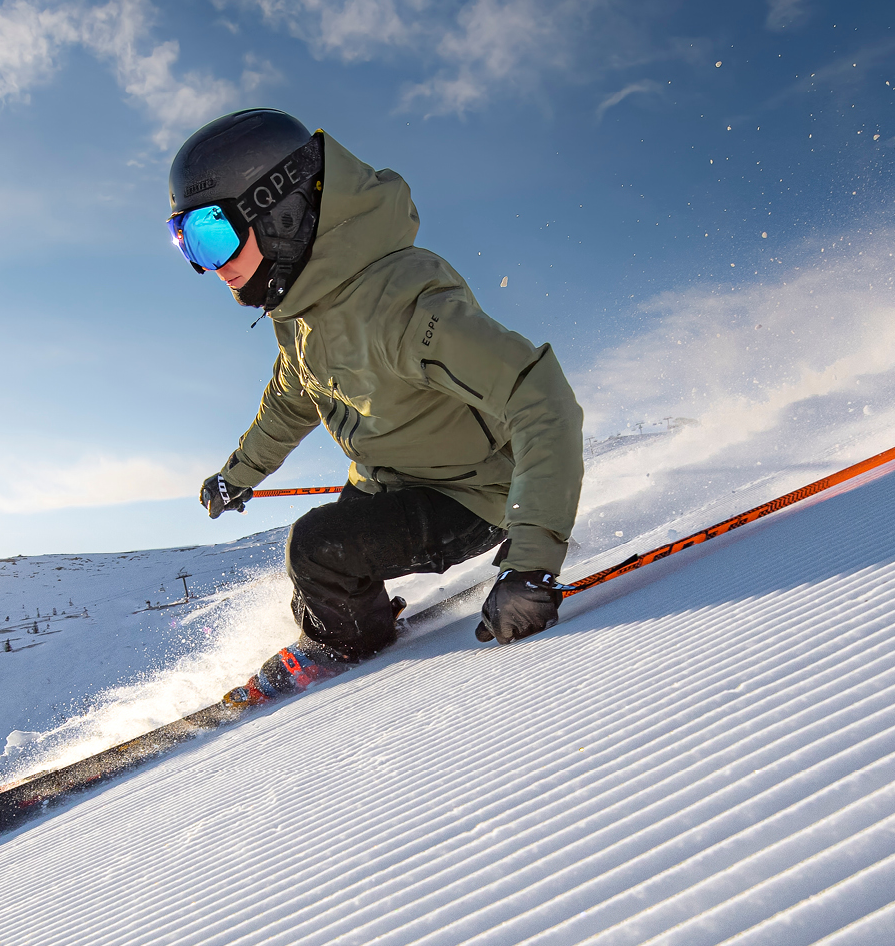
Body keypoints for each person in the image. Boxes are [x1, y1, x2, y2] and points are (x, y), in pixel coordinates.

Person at [164, 108, 585, 689]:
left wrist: (533, 566)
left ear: (280, 210)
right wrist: (238, 474)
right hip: (390, 479)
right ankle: (337, 625)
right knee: (316, 566)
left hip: (474, 493)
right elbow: (291, 400)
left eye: (214, 235)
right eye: (186, 242)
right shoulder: (305, 312)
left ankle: (344, 651)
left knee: (316, 548)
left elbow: (540, 396)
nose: (209, 267)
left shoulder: (401, 306)